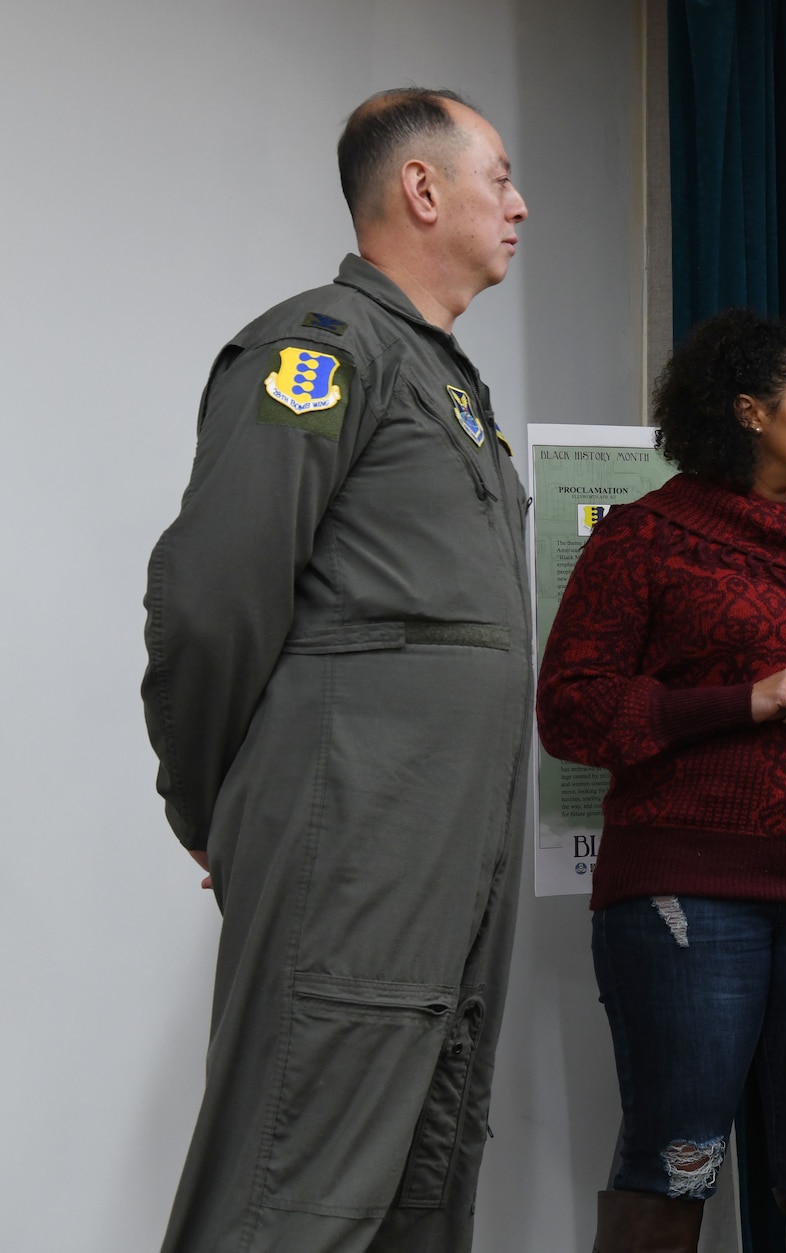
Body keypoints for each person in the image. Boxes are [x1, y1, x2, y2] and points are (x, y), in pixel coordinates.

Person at [142, 89, 531, 1253]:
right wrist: (211, 803)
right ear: (421, 189)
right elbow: (212, 597)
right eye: (499, 176)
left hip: (448, 839)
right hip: (360, 826)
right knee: (295, 1180)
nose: (519, 204)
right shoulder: (320, 347)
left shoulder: (447, 382)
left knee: (420, 1173)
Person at [536, 308, 786, 1253]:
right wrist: (736, 702)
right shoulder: (643, 537)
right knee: (675, 1160)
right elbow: (572, 710)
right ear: (752, 410)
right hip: (686, 890)